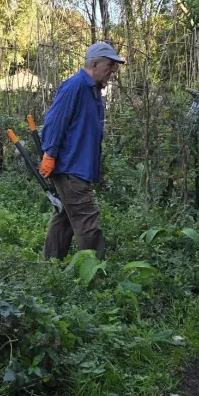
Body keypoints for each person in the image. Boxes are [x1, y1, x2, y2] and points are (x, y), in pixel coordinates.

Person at [39, 42, 124, 260]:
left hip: (78, 166)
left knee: (65, 216)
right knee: (88, 220)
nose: (113, 71)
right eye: (110, 65)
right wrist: (49, 153)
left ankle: (50, 266)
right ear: (95, 64)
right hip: (70, 167)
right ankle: (93, 272)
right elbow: (54, 122)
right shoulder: (75, 86)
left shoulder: (93, 91)